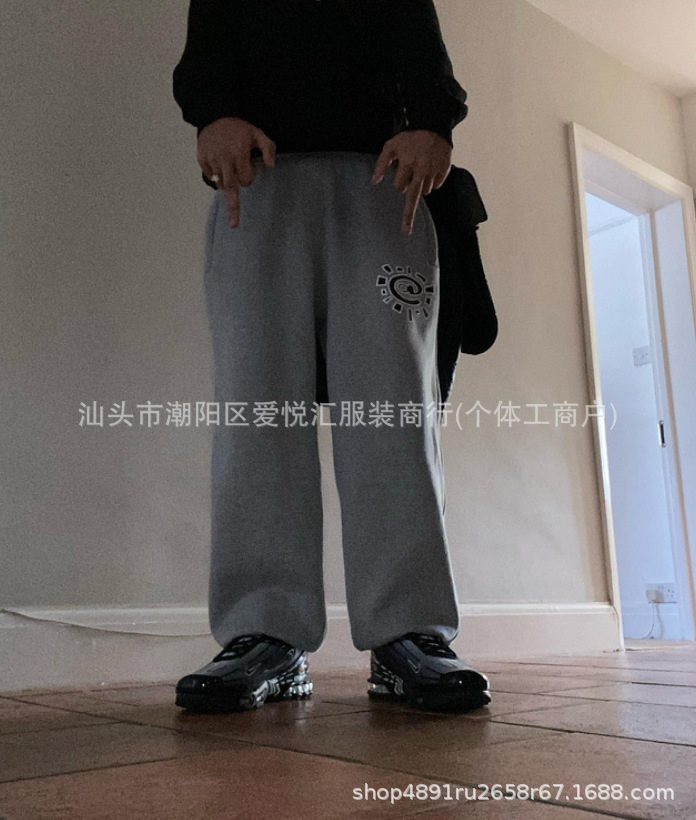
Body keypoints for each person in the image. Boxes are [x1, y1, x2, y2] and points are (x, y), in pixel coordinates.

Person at [172, 0, 490, 714]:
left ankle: (409, 631)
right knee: (256, 413)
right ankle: (264, 631)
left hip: (386, 181)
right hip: (256, 181)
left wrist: (433, 120)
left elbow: (415, 32)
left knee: (393, 414)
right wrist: (212, 112)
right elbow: (210, 37)